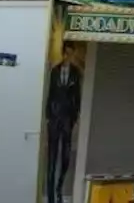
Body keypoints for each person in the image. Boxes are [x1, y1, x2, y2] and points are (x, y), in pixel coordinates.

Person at [45, 43, 83, 203]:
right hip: (54, 118)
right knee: (52, 158)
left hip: (68, 119)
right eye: (66, 54)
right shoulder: (55, 71)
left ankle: (59, 188)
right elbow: (50, 93)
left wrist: (75, 117)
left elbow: (78, 96)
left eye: (71, 54)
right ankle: (51, 196)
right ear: (63, 54)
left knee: (65, 157)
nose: (68, 57)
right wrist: (48, 115)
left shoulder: (76, 73)